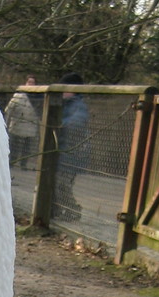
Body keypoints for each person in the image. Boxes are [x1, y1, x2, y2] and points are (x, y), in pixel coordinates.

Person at [55, 72, 90, 221]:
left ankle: (73, 210)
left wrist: (61, 126)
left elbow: (77, 123)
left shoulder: (78, 106)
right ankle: (59, 210)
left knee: (63, 184)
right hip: (62, 151)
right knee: (58, 183)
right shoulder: (64, 104)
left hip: (71, 153)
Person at [4, 82, 40, 170]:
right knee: (14, 146)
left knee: (26, 148)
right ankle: (11, 162)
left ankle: (23, 164)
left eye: (33, 83)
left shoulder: (38, 99)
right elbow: (8, 111)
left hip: (30, 128)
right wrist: (6, 125)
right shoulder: (18, 97)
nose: (31, 85)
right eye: (29, 82)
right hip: (16, 127)